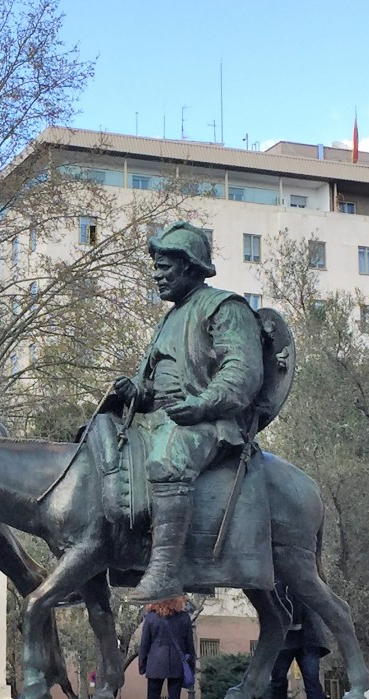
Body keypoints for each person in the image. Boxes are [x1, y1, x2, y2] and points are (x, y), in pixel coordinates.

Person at [112, 222, 264, 602]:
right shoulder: (168, 319)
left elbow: (243, 371)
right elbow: (153, 383)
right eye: (156, 267)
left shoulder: (225, 307)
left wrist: (201, 404)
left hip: (209, 422)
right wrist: (136, 391)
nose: (156, 275)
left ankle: (165, 572)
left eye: (165, 267)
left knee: (168, 459)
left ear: (190, 266)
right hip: (159, 419)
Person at [269, 581, 330, 699]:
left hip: (306, 635)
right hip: (287, 636)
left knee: (311, 679)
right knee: (279, 678)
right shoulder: (276, 577)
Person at [137, 596, 196, 699]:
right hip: (177, 662)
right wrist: (191, 666)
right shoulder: (184, 617)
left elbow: (144, 644)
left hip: (155, 662)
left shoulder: (151, 618)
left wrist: (142, 665)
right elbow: (189, 644)